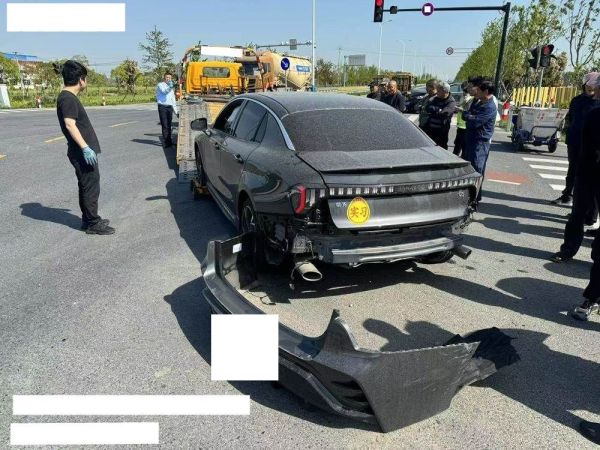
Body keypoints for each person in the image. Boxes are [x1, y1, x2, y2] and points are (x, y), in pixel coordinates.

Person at [56, 60, 115, 235]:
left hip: (80, 151)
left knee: (86, 185)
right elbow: (69, 124)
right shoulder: (68, 98)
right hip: (81, 152)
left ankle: (88, 219)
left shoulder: (67, 97)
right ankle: (93, 223)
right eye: (85, 78)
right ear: (81, 79)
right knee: (90, 186)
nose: (85, 82)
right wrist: (85, 148)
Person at [550, 78, 600, 263]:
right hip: (587, 170)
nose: (595, 90)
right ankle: (568, 249)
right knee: (577, 213)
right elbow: (584, 139)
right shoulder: (593, 112)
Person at [551, 72, 598, 207]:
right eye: (589, 85)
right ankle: (567, 195)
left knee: (585, 174)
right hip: (574, 140)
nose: (591, 88)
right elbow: (570, 117)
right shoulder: (576, 100)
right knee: (572, 169)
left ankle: (581, 204)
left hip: (590, 145)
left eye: (594, 86)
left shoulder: (597, 103)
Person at [462, 78, 497, 204]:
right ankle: (470, 195)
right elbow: (467, 115)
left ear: (486, 91)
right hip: (471, 138)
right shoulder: (478, 101)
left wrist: (468, 117)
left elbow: (476, 122)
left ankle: (475, 198)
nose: (476, 91)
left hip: (480, 142)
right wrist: (469, 116)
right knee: (469, 168)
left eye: (479, 90)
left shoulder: (490, 106)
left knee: (477, 169)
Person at [421, 81, 456, 149]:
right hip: (430, 129)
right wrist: (438, 110)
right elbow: (428, 108)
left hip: (441, 131)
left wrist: (436, 110)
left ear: (445, 91)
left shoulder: (451, 101)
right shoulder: (436, 98)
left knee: (441, 149)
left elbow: (445, 113)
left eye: (439, 91)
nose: (437, 92)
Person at [156, 71, 179, 148]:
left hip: (169, 107)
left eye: (169, 78)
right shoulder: (160, 85)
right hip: (162, 107)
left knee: (169, 125)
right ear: (164, 78)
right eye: (167, 77)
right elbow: (164, 92)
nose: (168, 79)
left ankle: (169, 141)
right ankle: (166, 142)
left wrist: (176, 111)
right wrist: (170, 87)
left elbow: (173, 100)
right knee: (165, 125)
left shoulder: (171, 88)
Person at [453, 81, 475, 156]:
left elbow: (469, 111)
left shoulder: (471, 99)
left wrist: (460, 109)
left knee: (463, 147)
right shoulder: (463, 97)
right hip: (460, 124)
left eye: (465, 90)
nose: (464, 92)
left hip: (466, 126)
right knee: (457, 145)